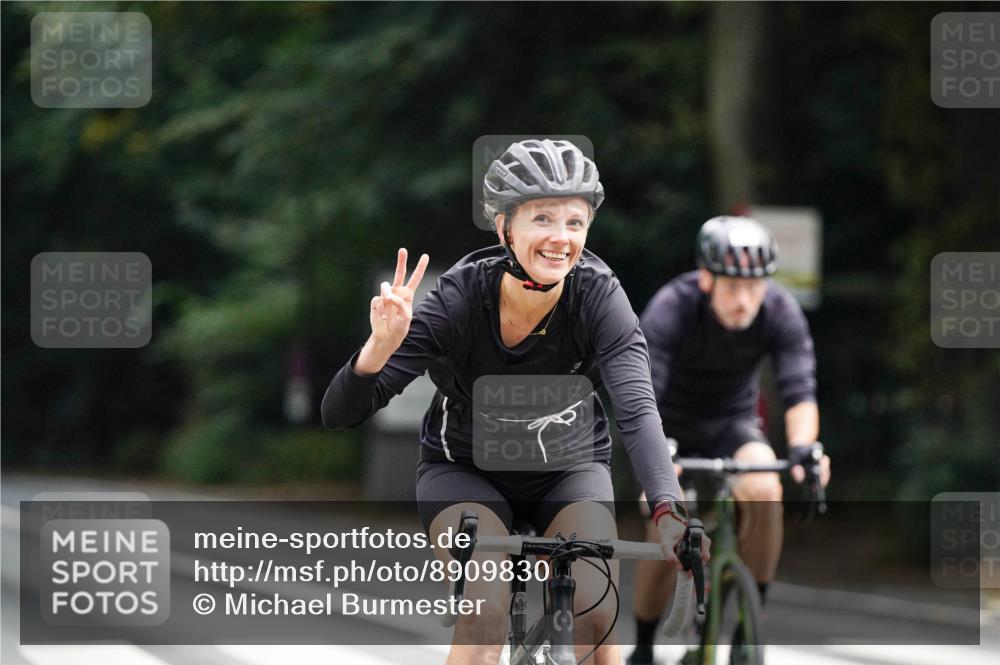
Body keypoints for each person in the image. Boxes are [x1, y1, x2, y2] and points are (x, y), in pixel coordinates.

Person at [321, 138, 709, 665]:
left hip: (569, 469)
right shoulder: (457, 299)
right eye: (542, 219)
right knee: (485, 616)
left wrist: (668, 509)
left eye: (575, 223)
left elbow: (638, 412)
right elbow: (339, 414)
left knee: (597, 612)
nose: (560, 238)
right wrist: (378, 349)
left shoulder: (599, 298)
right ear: (505, 227)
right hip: (465, 473)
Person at [626, 216, 831, 665]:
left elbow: (800, 389)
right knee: (668, 523)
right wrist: (655, 468)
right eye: (732, 287)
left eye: (754, 287)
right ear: (706, 278)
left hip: (731, 425)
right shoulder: (672, 307)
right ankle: (642, 645)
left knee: (764, 487)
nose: (744, 301)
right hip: (667, 428)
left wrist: (804, 451)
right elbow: (643, 398)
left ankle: (745, 622)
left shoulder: (779, 310)